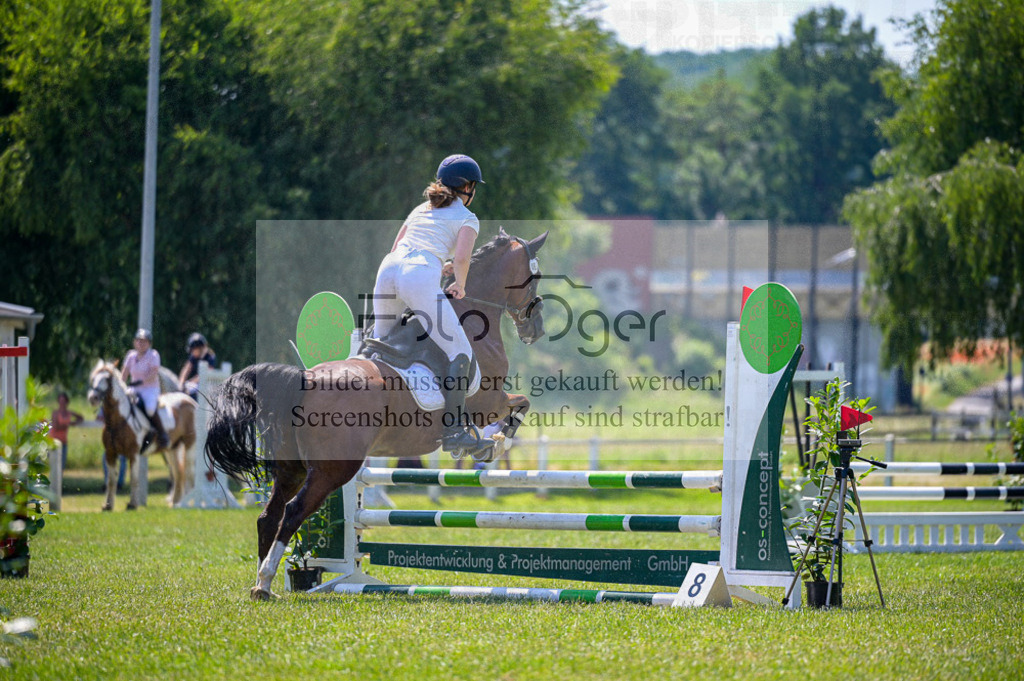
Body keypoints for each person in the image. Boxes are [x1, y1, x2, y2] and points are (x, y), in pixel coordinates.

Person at [372, 153, 484, 452]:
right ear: (468, 187)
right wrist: (459, 283)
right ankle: (454, 431)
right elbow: (462, 258)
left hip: (388, 270)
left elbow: (399, 248)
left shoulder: (420, 209)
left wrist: (439, 265)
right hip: (418, 275)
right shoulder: (468, 218)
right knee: (460, 352)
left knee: (378, 344)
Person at [121, 328, 169, 450]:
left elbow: (153, 374)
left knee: (150, 409)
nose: (141, 343)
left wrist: (140, 382)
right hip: (134, 388)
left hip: (150, 389)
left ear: (149, 343)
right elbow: (125, 373)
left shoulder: (153, 355)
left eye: (144, 341)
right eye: (138, 341)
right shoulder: (130, 355)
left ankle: (159, 431)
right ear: (134, 342)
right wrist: (121, 385)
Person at [178, 332, 218, 398]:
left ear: (199, 348)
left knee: (190, 391)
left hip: (207, 384)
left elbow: (205, 374)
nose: (192, 352)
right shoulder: (194, 356)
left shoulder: (210, 356)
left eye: (193, 350)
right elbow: (186, 369)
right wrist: (181, 383)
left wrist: (189, 383)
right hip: (195, 383)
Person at [50, 392, 84, 470]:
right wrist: (69, 423)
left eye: (64, 401)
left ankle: (60, 482)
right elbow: (56, 426)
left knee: (62, 465)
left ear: (67, 402)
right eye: (60, 401)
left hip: (64, 442)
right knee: (54, 465)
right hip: (54, 442)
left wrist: (74, 422)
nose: (62, 403)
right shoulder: (55, 413)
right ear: (58, 402)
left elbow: (81, 418)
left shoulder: (69, 413)